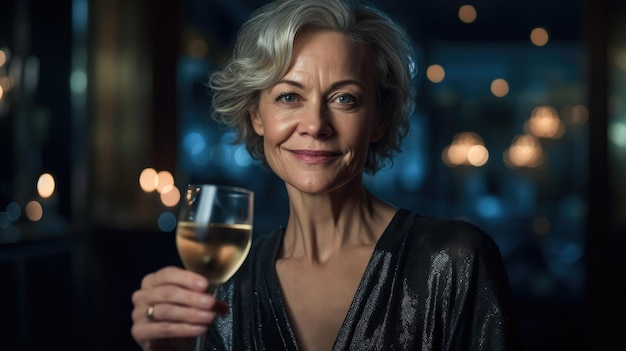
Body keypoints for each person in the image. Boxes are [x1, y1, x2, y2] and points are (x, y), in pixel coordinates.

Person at [131, 0, 523, 350]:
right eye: (289, 96)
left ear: (378, 120)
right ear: (256, 115)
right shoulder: (230, 286)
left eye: (344, 99)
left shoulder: (454, 262)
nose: (315, 125)